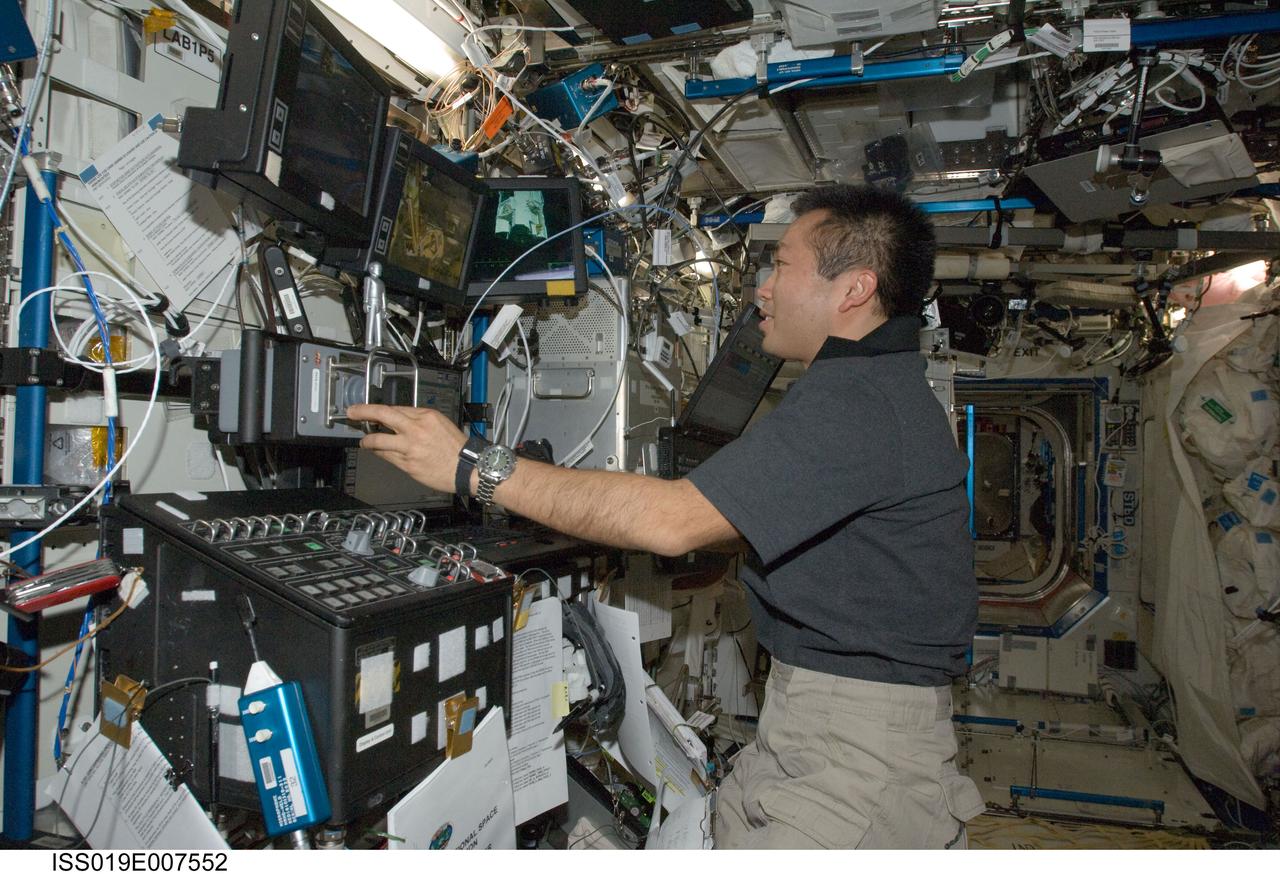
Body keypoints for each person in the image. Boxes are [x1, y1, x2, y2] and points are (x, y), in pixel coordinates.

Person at [347, 183, 985, 849]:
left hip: (855, 752)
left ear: (854, 289)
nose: (760, 290)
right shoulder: (875, 389)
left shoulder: (857, 399)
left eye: (782, 266)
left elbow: (673, 524)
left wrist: (472, 465)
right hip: (833, 726)